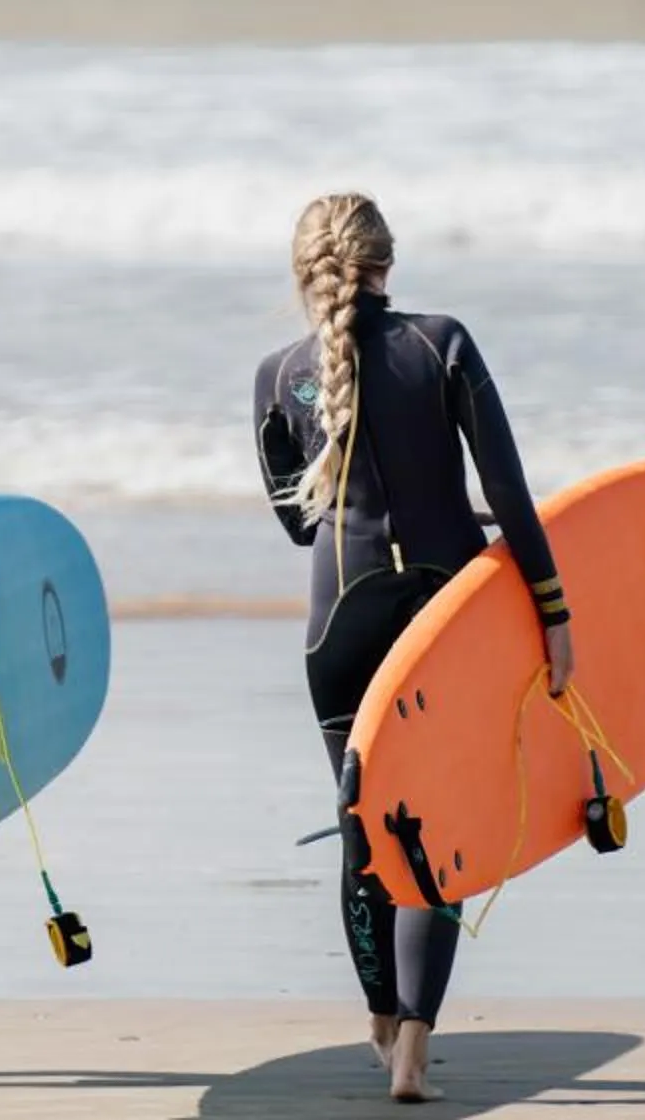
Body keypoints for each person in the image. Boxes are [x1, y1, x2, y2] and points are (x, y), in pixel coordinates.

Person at [252, 192, 574, 1103]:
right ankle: (415, 1053)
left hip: (339, 625)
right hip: (445, 621)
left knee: (364, 831)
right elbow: (508, 491)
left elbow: (294, 523)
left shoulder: (282, 375)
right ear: (389, 261)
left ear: (304, 272)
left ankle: (381, 1016)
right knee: (440, 825)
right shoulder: (444, 344)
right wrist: (554, 611)